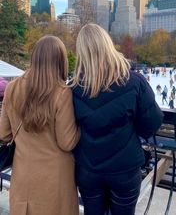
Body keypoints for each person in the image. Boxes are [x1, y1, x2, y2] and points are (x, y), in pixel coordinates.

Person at [72, 23, 163, 215]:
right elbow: (151, 124)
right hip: (125, 169)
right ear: (108, 45)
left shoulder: (73, 88)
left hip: (88, 169)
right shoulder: (134, 82)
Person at [0, 36, 80, 215]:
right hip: (56, 180)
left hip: (23, 175)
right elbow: (67, 142)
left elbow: (4, 133)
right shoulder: (62, 93)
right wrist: (81, 129)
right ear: (60, 61)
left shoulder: (12, 88)